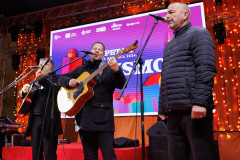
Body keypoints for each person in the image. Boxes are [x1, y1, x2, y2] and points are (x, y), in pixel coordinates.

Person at [158, 2, 217, 160]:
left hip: (193, 110)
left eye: (171, 12)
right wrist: (162, 107)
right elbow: (164, 78)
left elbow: (206, 68)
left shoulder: (199, 33)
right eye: (166, 13)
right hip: (173, 113)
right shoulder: (169, 46)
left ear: (185, 15)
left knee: (202, 155)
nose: (167, 16)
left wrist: (200, 102)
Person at [58, 42, 126, 160]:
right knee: (89, 157)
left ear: (104, 54)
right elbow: (60, 78)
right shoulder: (81, 69)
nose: (97, 51)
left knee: (109, 156)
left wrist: (117, 69)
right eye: (95, 49)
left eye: (100, 50)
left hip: (104, 121)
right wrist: (68, 82)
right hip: (85, 120)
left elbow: (121, 84)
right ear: (90, 52)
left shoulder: (109, 70)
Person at [20, 58, 63, 160]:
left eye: (42, 64)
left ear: (49, 67)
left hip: (50, 121)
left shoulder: (57, 79)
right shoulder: (36, 81)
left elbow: (54, 90)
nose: (39, 66)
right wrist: (23, 91)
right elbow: (26, 97)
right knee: (36, 153)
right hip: (35, 120)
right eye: (39, 64)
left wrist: (41, 78)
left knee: (50, 154)